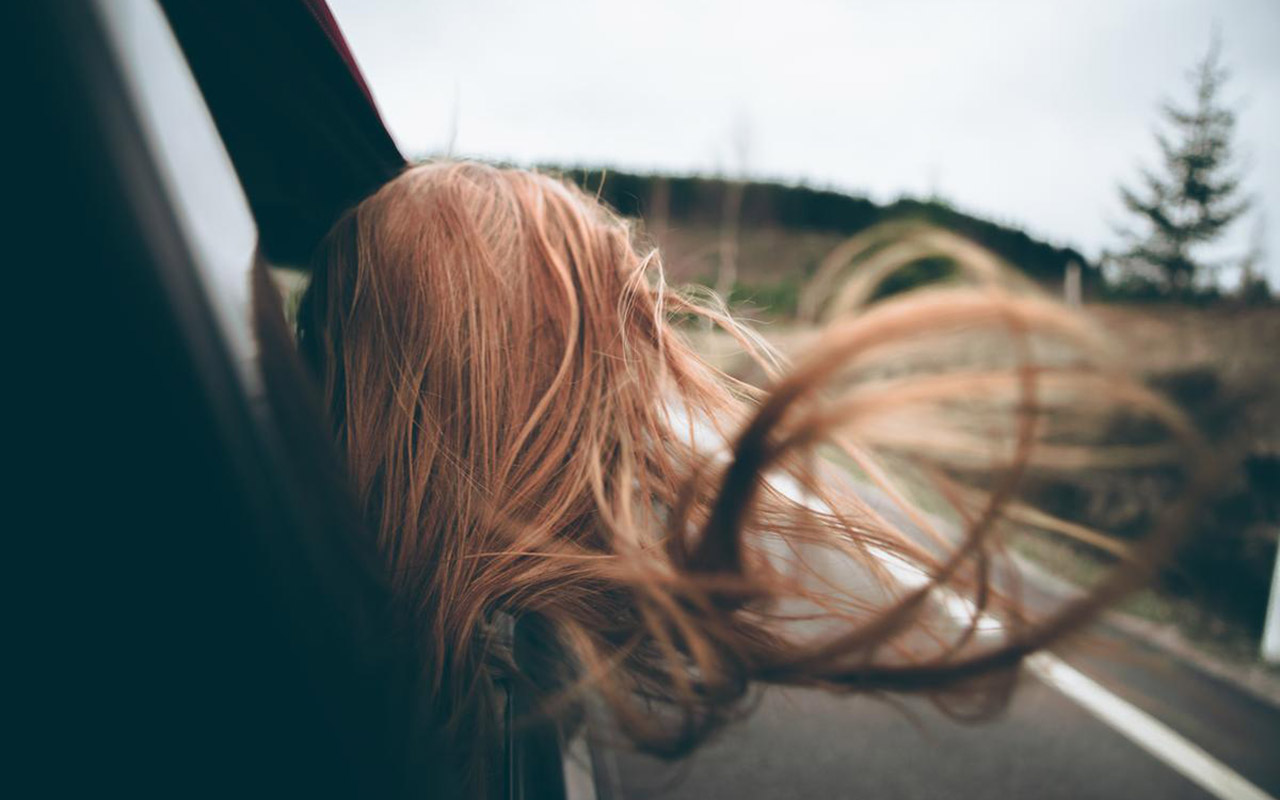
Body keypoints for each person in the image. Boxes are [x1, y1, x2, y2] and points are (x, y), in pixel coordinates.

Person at [296, 160, 1202, 792]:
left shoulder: (318, 626)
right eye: (597, 366)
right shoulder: (472, 705)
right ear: (509, 396)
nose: (628, 412)